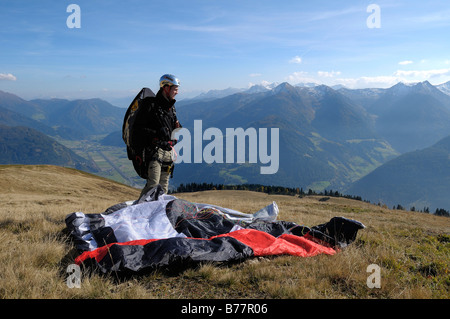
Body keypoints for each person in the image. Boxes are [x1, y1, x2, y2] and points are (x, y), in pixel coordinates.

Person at [133, 74, 181, 198]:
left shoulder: (171, 108)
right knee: (152, 186)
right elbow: (138, 129)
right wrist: (157, 133)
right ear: (166, 88)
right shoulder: (150, 105)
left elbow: (169, 128)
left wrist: (177, 126)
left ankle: (158, 215)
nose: (177, 92)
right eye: (175, 89)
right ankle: (139, 212)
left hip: (168, 151)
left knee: (163, 189)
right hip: (154, 151)